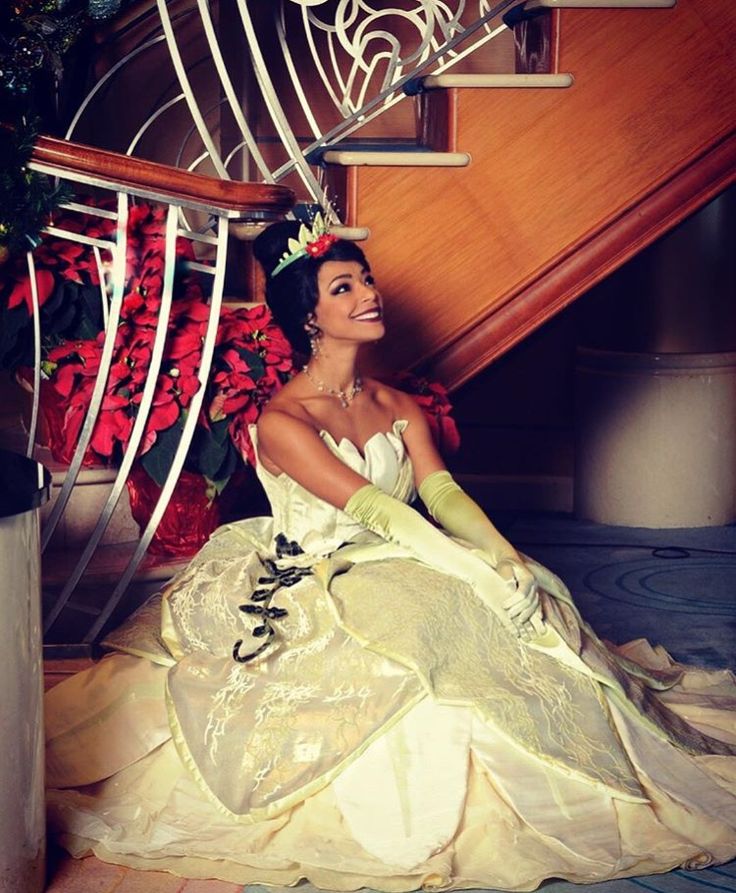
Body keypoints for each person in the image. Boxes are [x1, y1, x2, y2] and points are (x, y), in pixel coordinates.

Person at [45, 217, 736, 891]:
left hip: (401, 549)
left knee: (534, 594)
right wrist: (467, 569)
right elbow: (372, 508)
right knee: (438, 621)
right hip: (315, 570)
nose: (368, 294)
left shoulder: (399, 402)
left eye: (365, 280)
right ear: (309, 317)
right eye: (343, 287)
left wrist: (502, 557)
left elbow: (444, 496)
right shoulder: (283, 421)